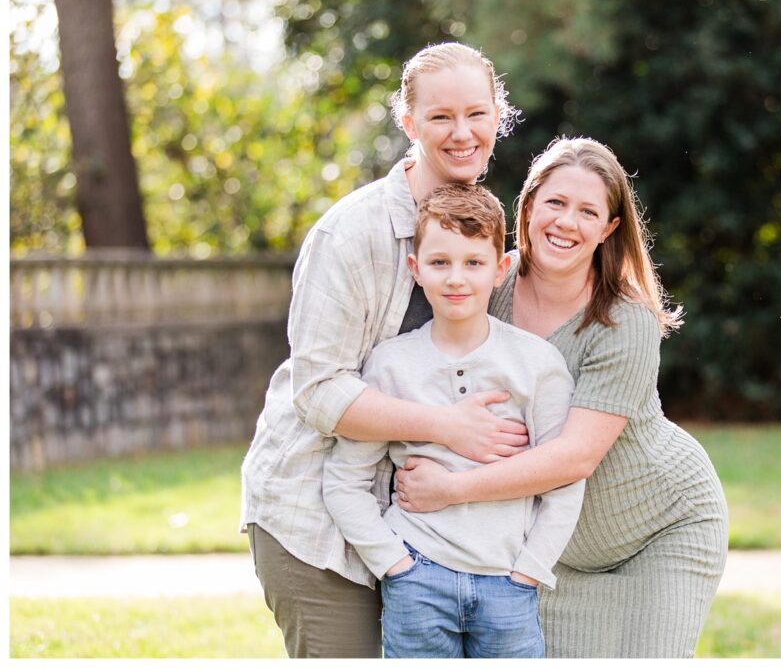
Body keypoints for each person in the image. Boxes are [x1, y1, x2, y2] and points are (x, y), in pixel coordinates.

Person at [239, 42, 526, 658]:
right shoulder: (352, 233)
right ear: (408, 122)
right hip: (315, 518)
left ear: (499, 116)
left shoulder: (482, 228)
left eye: (477, 114)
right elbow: (317, 390)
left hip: (425, 534)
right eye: (440, 117)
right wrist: (449, 428)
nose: (462, 133)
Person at [394, 137, 730, 658]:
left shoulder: (626, 320)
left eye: (587, 211)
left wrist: (450, 489)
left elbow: (576, 456)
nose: (566, 222)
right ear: (527, 208)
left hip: (659, 529)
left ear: (609, 228)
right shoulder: (483, 282)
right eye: (554, 203)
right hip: (553, 545)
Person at [322, 183, 584, 658]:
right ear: (415, 269)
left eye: (473, 263)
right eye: (440, 262)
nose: (456, 278)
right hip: (417, 579)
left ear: (500, 269)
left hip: (508, 582)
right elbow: (345, 481)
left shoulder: (537, 365)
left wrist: (528, 570)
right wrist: (395, 565)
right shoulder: (390, 365)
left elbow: (563, 482)